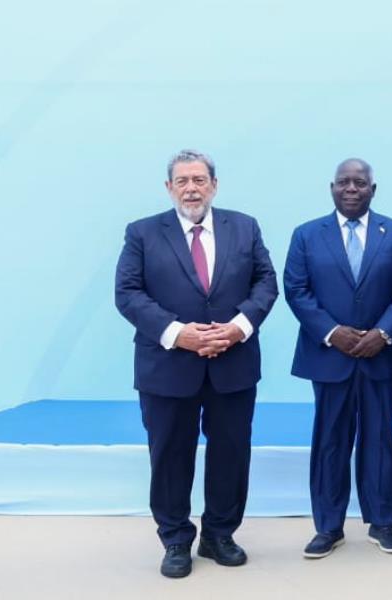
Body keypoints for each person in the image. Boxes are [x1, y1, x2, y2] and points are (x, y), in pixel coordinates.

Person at [114, 149, 278, 578]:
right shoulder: (142, 233)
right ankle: (175, 539)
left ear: (214, 185)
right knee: (169, 455)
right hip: (167, 367)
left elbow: (266, 282)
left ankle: (219, 535)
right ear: (169, 188)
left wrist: (239, 327)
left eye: (200, 180)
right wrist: (177, 334)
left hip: (233, 362)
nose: (191, 188)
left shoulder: (244, 227)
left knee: (231, 452)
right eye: (182, 181)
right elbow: (128, 293)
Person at [284, 158, 392, 559]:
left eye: (359, 182)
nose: (351, 188)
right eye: (343, 182)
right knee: (330, 441)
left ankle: (383, 523)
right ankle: (328, 527)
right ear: (331, 188)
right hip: (329, 356)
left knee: (379, 437)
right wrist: (332, 332)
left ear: (372, 190)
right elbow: (297, 290)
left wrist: (383, 333)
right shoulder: (307, 235)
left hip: (382, 354)